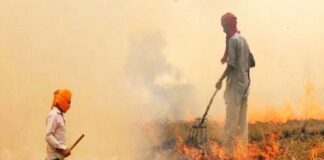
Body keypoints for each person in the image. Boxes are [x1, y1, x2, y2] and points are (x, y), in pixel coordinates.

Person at [215, 12, 252, 158]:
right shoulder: (243, 39)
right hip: (245, 87)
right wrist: (247, 82)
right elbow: (251, 63)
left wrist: (220, 80)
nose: (223, 30)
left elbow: (231, 66)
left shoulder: (233, 41)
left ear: (228, 25)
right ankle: (243, 153)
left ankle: (228, 154)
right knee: (243, 123)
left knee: (230, 121)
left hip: (235, 87)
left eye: (224, 27)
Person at [45, 89, 72, 160]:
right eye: (68, 102)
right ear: (63, 101)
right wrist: (62, 149)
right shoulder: (54, 115)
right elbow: (48, 136)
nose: (69, 105)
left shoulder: (58, 115)